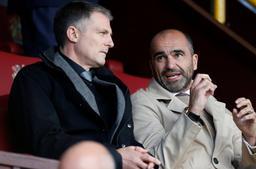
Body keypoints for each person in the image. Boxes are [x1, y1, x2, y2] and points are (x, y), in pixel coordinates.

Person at [8, 1, 160, 169]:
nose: (111, 43)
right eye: (103, 33)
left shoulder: (114, 85)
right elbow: (45, 140)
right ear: (73, 34)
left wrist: (146, 159)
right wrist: (113, 157)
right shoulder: (33, 78)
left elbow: (125, 142)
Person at [131, 29, 256, 169]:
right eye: (160, 57)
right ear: (151, 66)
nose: (170, 65)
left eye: (178, 55)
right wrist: (192, 112)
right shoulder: (141, 102)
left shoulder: (214, 105)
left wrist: (251, 138)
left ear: (194, 61)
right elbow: (154, 164)